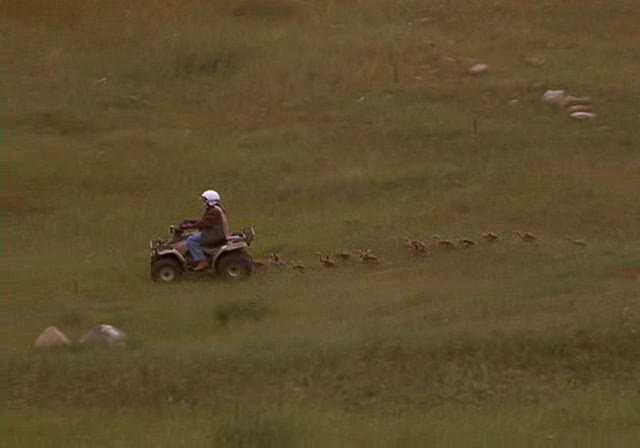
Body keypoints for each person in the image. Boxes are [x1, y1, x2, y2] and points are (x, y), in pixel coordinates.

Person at [186, 190, 230, 271]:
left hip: (214, 235)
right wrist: (191, 221)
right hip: (216, 233)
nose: (204, 202)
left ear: (210, 201)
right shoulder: (216, 209)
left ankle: (202, 261)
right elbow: (205, 221)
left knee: (190, 240)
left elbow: (205, 223)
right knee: (193, 236)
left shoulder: (214, 211)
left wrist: (189, 226)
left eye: (205, 200)